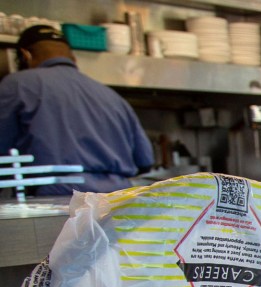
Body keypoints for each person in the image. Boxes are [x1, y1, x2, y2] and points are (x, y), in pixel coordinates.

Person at [0, 25, 154, 195]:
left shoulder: (16, 84)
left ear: (25, 55)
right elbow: (145, 161)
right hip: (118, 200)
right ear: (73, 58)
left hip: (55, 198)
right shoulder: (112, 96)